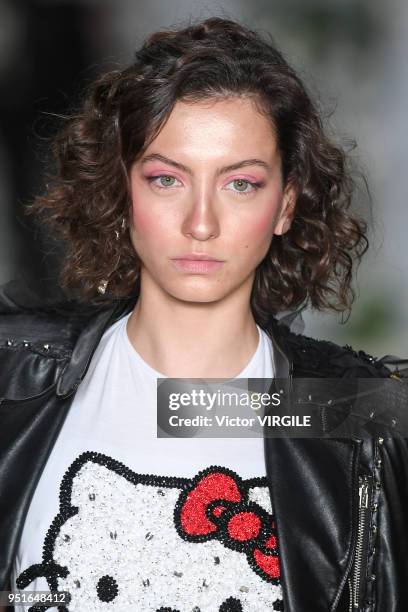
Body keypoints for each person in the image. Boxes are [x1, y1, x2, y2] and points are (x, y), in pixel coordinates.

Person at [0, 16, 407, 612]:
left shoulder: (357, 418)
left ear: (286, 204)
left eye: (239, 184)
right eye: (167, 179)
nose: (201, 223)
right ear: (124, 190)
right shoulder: (14, 381)